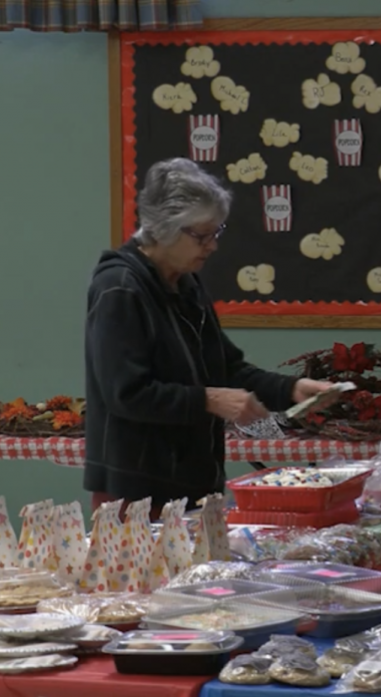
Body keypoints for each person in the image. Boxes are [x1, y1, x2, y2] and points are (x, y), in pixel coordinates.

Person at [83, 157, 336, 516]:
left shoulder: (186, 283)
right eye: (201, 235)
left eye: (216, 233)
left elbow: (225, 367)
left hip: (194, 481)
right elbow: (127, 394)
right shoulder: (119, 288)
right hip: (137, 490)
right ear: (164, 228)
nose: (212, 246)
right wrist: (208, 400)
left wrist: (291, 389)